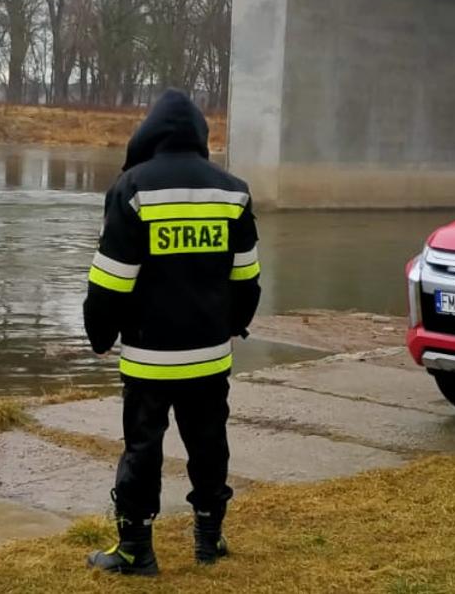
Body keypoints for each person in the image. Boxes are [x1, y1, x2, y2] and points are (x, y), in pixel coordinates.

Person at [82, 89, 262, 576]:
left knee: (143, 448)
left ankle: (136, 549)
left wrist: (99, 335)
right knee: (209, 446)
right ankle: (209, 538)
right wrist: (233, 326)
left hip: (148, 356)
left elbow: (110, 282)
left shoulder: (133, 189)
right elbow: (247, 280)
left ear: (149, 134)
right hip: (209, 354)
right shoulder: (234, 191)